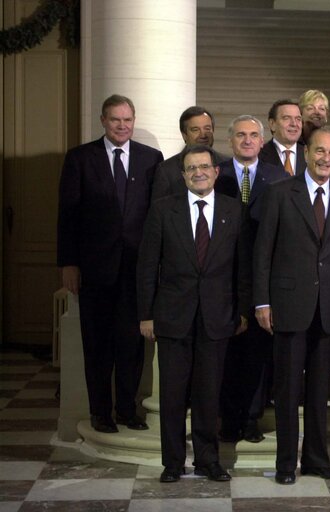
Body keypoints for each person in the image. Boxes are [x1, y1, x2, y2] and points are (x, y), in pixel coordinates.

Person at [136, 145, 250, 483]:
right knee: (172, 394)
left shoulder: (235, 210)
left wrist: (243, 310)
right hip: (172, 317)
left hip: (217, 316)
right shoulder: (162, 210)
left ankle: (207, 460)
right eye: (190, 168)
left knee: (208, 394)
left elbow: (242, 268)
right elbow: (146, 267)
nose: (198, 172)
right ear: (182, 174)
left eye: (204, 166)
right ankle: (172, 462)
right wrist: (146, 314)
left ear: (216, 171)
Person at [254, 128, 330, 485]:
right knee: (287, 391)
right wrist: (262, 301)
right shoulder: (281, 192)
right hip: (288, 305)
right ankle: (286, 463)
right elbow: (263, 250)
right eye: (320, 151)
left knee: (318, 392)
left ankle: (316, 459)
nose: (326, 158)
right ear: (306, 153)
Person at [57, 94, 163, 434]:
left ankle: (126, 410)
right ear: (103, 120)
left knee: (131, 344)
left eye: (127, 120)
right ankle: (100, 412)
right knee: (97, 344)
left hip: (136, 270)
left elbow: (157, 217)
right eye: (115, 120)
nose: (122, 126)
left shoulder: (151, 159)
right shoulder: (80, 158)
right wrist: (68, 263)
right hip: (94, 269)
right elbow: (68, 215)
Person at [215, 115, 288, 443]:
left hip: (264, 275)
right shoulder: (217, 174)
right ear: (230, 141)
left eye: (253, 135)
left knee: (258, 352)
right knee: (228, 351)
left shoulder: (278, 177)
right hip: (223, 274)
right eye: (241, 135)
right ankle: (228, 417)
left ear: (263, 141)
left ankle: (251, 418)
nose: (247, 140)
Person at [152, 106, 224, 200]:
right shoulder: (167, 170)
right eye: (195, 129)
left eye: (207, 128)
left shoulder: (226, 164)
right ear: (184, 135)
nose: (203, 135)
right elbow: (159, 210)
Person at [259, 99, 306, 175]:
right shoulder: (257, 156)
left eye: (298, 119)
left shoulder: (311, 155)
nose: (294, 124)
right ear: (272, 124)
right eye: (286, 118)